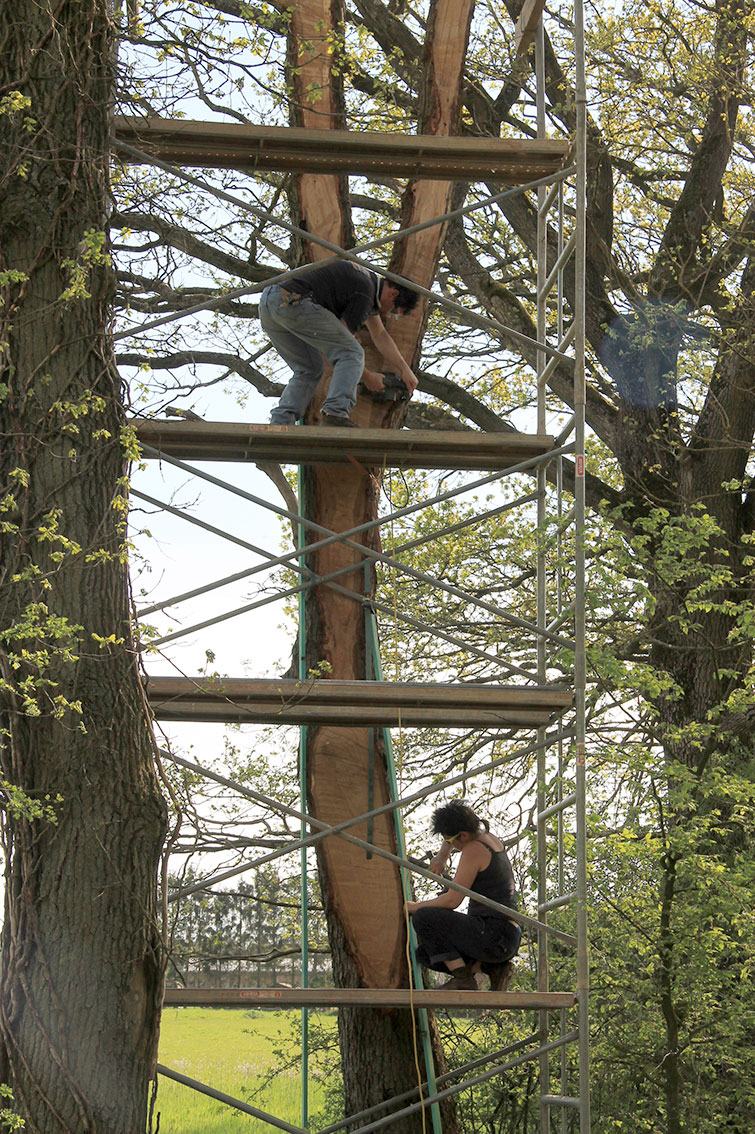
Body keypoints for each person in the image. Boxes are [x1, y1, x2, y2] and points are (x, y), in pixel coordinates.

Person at [261, 260, 420, 427]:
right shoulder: (365, 293)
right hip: (294, 303)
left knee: (309, 369)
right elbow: (345, 349)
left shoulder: (367, 283)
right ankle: (335, 412)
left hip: (271, 304)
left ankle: (281, 421)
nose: (387, 315)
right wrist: (368, 377)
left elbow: (380, 335)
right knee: (353, 352)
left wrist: (405, 370)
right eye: (394, 311)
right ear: (393, 294)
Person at [405, 801, 522, 991]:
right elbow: (456, 835)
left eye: (451, 842)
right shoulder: (488, 837)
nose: (451, 846)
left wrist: (413, 907)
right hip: (505, 935)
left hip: (493, 934)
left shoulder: (473, 850)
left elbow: (452, 901)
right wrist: (442, 855)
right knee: (426, 954)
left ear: (463, 835)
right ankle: (493, 968)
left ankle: (463, 979)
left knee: (424, 918)